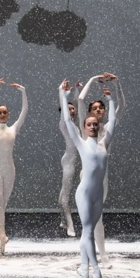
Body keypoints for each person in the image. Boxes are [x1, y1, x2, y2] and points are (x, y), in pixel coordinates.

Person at [59, 78, 116, 278]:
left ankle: (84, 269)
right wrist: (63, 97)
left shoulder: (103, 145)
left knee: (87, 232)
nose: (93, 126)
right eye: (89, 124)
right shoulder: (82, 145)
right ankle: (95, 270)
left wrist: (110, 100)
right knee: (89, 232)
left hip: (97, 195)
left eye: (95, 124)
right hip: (83, 194)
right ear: (84, 127)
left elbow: (114, 122)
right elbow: (67, 119)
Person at [78, 74, 123, 260]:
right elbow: (80, 99)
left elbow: (122, 107)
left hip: (102, 176)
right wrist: (93, 78)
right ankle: (93, 254)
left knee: (99, 218)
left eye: (101, 108)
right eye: (95, 108)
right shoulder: (86, 126)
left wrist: (117, 84)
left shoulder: (108, 130)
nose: (99, 110)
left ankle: (100, 253)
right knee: (88, 219)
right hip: (87, 177)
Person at [0, 78, 28, 255]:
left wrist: (24, 92)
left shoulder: (13, 129)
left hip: (10, 169)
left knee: (3, 204)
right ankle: (2, 234)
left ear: (8, 114)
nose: (2, 114)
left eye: (5, 112)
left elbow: (25, 111)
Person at [56, 86, 81, 237]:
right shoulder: (64, 124)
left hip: (73, 160)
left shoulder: (75, 125)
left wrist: (77, 92)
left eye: (73, 109)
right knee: (67, 193)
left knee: (64, 191)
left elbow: (79, 106)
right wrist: (62, 93)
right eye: (68, 109)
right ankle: (70, 225)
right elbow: (65, 112)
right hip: (69, 162)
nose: (72, 111)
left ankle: (62, 219)